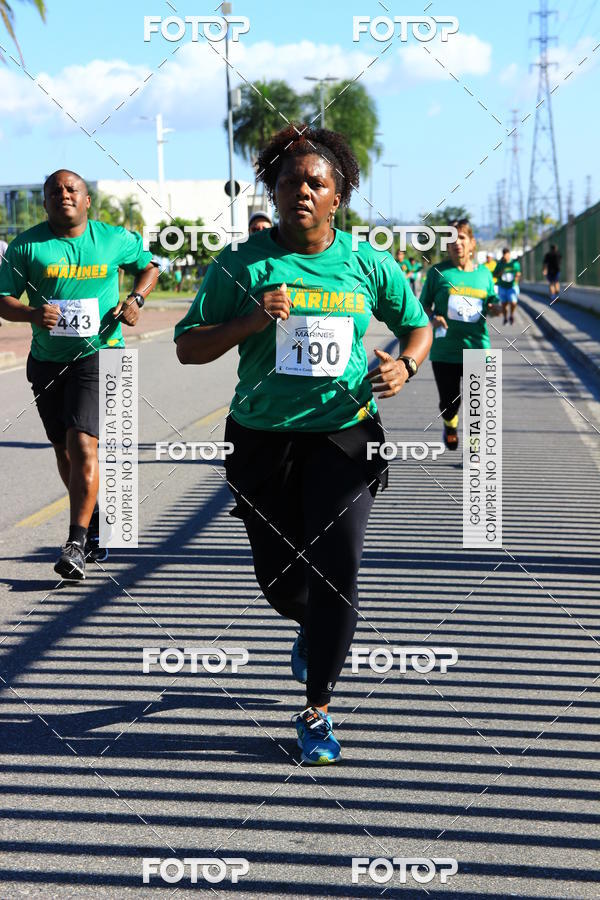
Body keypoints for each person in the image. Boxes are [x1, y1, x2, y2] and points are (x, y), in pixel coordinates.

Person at [175, 124, 432, 764]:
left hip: (344, 437)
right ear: (275, 189)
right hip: (260, 439)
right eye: (290, 180)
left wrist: (405, 365)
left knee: (339, 571)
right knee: (281, 582)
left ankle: (317, 707)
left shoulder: (368, 263)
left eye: (316, 182)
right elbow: (187, 346)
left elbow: (417, 326)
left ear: (336, 196)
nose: (302, 191)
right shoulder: (241, 264)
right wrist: (250, 320)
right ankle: (305, 625)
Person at [0, 170, 159, 579]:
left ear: (87, 200)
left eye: (72, 189)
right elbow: (2, 299)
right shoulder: (26, 246)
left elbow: (152, 265)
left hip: (100, 355)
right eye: (55, 191)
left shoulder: (113, 238)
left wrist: (136, 298)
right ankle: (92, 520)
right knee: (63, 450)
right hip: (47, 359)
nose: (63, 195)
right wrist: (32, 313)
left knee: (83, 442)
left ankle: (74, 542)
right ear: (45, 202)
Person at [421, 219, 501, 450]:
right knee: (449, 402)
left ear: (472, 243)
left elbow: (492, 300)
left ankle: (475, 446)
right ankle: (450, 424)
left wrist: (496, 307)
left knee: (478, 403)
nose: (457, 243)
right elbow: (423, 306)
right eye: (452, 239)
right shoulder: (438, 273)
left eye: (462, 238)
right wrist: (432, 319)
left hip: (477, 348)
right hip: (445, 351)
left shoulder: (484, 274)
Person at [493, 247, 521, 325]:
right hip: (502, 286)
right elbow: (494, 274)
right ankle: (505, 317)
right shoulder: (500, 264)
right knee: (504, 304)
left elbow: (518, 273)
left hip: (512, 286)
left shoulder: (515, 264)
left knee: (513, 302)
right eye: (504, 255)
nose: (506, 256)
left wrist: (517, 277)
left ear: (509, 254)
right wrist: (500, 273)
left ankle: (511, 315)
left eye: (507, 254)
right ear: (503, 255)